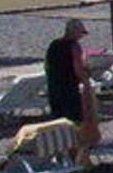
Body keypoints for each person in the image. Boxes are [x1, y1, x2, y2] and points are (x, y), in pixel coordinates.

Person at [43, 19, 101, 153]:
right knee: (74, 121)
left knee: (59, 121)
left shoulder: (53, 45)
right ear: (73, 32)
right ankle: (75, 152)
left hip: (54, 88)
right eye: (81, 33)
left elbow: (47, 66)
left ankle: (61, 150)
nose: (81, 36)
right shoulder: (74, 46)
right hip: (69, 89)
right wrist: (86, 82)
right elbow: (78, 69)